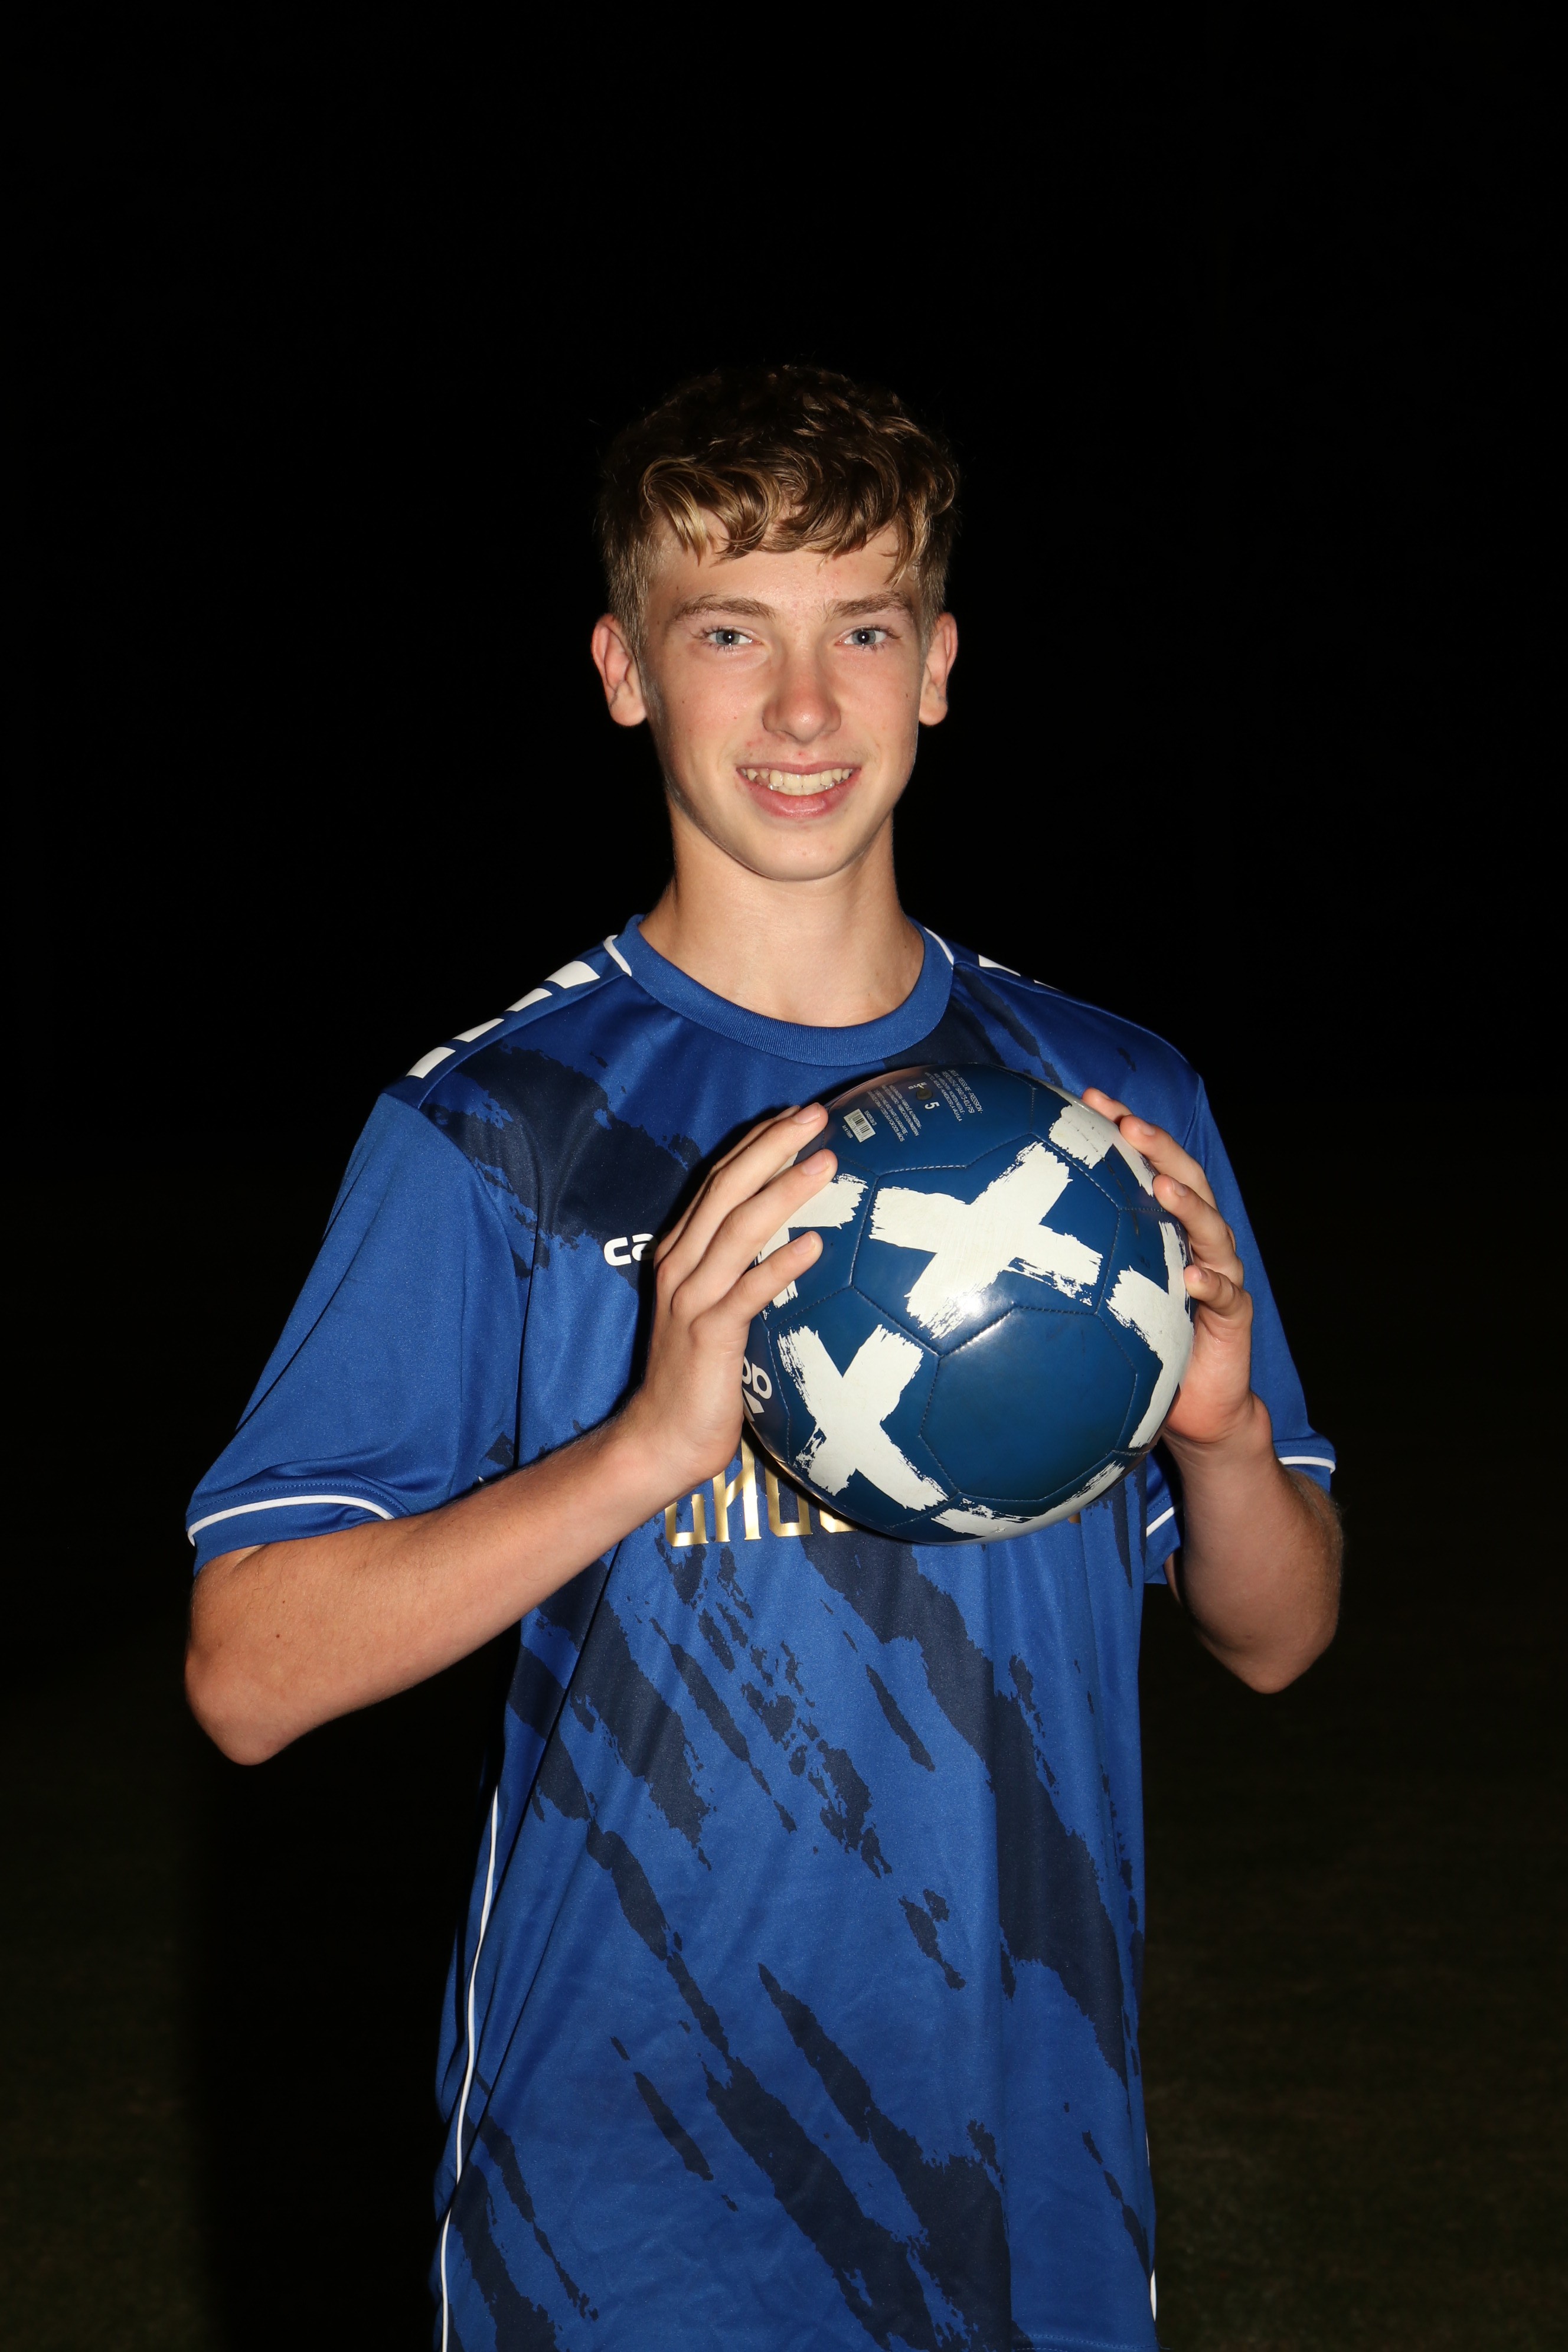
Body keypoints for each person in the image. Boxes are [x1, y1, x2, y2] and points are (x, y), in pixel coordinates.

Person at [185, 365, 1340, 2352]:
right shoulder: (501, 1128)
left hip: (1028, 2176)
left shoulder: (1104, 1109)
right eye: (732, 634)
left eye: (861, 632)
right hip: (615, 2205)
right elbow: (248, 1674)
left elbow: (1282, 1637)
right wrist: (646, 1445)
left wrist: (1225, 1438)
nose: (804, 709)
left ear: (939, 668)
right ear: (626, 670)